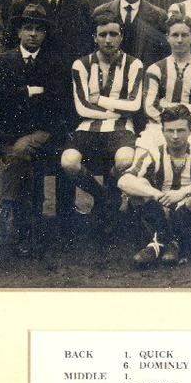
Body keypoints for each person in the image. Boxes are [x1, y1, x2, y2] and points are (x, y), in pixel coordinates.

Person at [6, 0, 94, 218]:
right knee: (33, 154)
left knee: (66, 148)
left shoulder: (80, 3)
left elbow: (85, 46)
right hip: (35, 91)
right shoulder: (21, 3)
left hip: (68, 89)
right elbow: (13, 50)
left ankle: (66, 213)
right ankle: (33, 215)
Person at [0, 4, 67, 256]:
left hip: (44, 132)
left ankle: (6, 207)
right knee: (22, 164)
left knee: (21, 152)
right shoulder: (3, 62)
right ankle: (25, 235)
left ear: (45, 34)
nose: (33, 34)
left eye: (38, 30)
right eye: (28, 28)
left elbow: (58, 102)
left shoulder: (54, 63)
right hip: (10, 134)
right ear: (19, 32)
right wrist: (30, 91)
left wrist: (16, 95)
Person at [60, 13, 143, 232]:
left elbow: (134, 105)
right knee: (69, 162)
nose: (108, 40)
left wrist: (101, 100)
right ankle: (104, 196)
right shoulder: (81, 64)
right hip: (87, 127)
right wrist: (117, 109)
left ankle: (108, 199)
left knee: (125, 160)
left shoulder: (134, 65)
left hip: (121, 129)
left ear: (121, 37)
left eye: (113, 34)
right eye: (103, 34)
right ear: (94, 37)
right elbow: (82, 108)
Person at [118, 105, 191, 267]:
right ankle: (169, 243)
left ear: (190, 131)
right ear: (162, 131)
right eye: (170, 131)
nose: (175, 136)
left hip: (189, 216)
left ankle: (160, 243)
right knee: (139, 185)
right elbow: (123, 181)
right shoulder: (154, 153)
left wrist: (183, 192)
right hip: (162, 210)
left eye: (181, 130)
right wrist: (155, 194)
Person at [140, 15, 191, 164]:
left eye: (184, 35)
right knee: (142, 159)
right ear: (167, 37)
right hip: (160, 126)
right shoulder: (155, 69)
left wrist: (166, 105)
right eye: (175, 35)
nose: (179, 40)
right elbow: (150, 107)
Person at [92, 0, 168, 68]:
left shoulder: (158, 16)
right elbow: (93, 47)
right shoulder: (101, 11)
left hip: (143, 76)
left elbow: (163, 54)